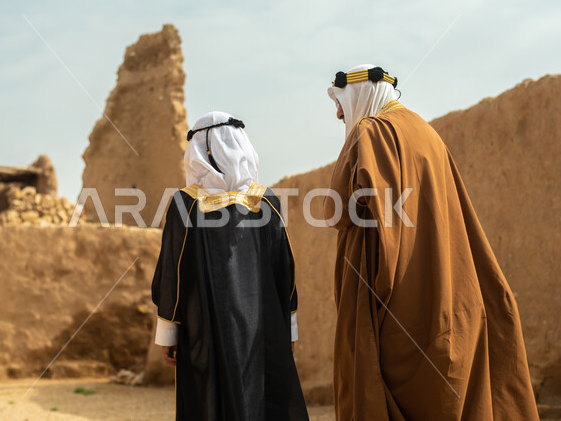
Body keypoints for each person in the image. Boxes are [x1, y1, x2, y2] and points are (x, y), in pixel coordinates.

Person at [323, 64, 538, 420]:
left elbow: (335, 211)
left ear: (360, 94)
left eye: (341, 103)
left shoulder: (371, 133)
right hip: (448, 298)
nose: (338, 113)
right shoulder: (427, 132)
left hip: (396, 299)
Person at [152, 111, 309, 421]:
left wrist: (168, 333)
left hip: (205, 329)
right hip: (264, 328)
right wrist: (288, 328)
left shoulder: (186, 204)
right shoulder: (266, 202)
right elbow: (285, 272)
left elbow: (173, 272)